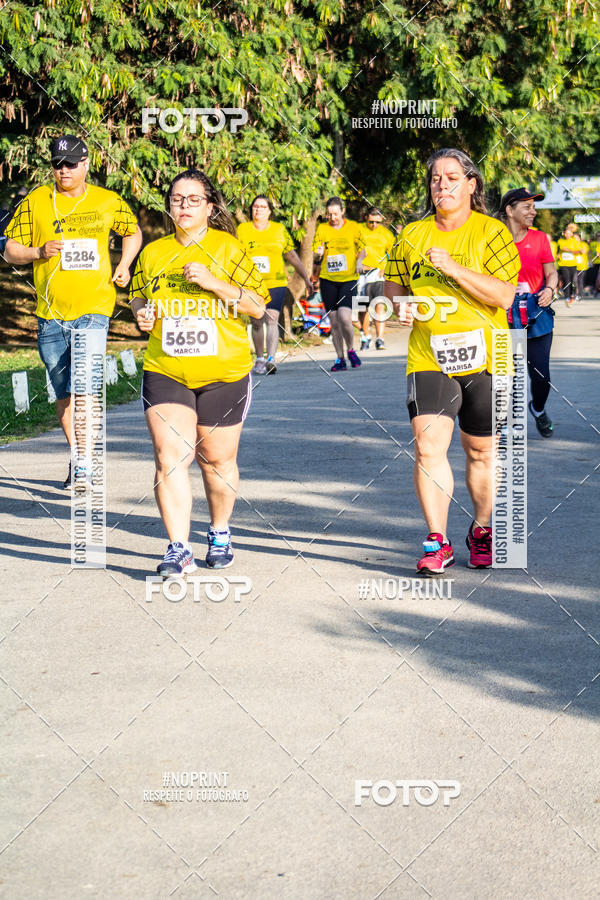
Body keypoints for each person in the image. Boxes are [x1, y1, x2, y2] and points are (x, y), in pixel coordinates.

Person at [384, 148, 520, 575]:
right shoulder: (411, 235)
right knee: (428, 447)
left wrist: (455, 268)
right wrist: (398, 306)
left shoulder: (492, 232)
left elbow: (503, 295)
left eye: (452, 177)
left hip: (490, 357)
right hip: (430, 356)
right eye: (435, 179)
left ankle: (481, 529)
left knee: (480, 451)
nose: (442, 185)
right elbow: (393, 289)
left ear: (471, 184)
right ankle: (436, 539)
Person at [129, 169, 268, 576]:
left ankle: (220, 530)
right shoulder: (154, 253)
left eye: (193, 200)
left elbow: (257, 307)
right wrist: (141, 314)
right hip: (167, 368)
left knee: (217, 460)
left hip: (224, 372)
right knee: (171, 456)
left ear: (210, 206)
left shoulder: (229, 249)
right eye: (176, 199)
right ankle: (177, 547)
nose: (183, 206)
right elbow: (137, 298)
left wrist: (213, 282)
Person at [3, 135, 141, 487]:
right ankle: (78, 455)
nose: (62, 170)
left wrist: (124, 264)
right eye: (57, 164)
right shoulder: (36, 201)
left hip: (94, 308)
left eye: (70, 164)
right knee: (63, 393)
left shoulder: (107, 200)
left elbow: (133, 232)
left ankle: (84, 462)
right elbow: (9, 250)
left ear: (85, 165)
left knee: (86, 386)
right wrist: (38, 252)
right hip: (50, 314)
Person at [500, 188, 559, 438]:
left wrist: (550, 288)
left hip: (536, 313)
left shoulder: (540, 239)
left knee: (541, 376)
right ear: (509, 210)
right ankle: (503, 422)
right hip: (503, 314)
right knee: (506, 376)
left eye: (534, 207)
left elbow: (552, 272)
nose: (533, 212)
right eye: (527, 207)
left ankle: (537, 408)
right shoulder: (493, 240)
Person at [237, 195, 312, 375]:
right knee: (256, 321)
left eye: (263, 207)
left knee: (271, 318)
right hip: (252, 283)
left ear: (270, 211)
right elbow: (234, 255)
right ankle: (260, 358)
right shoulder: (243, 229)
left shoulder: (279, 230)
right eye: (255, 206)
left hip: (276, 282)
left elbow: (292, 256)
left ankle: (271, 359)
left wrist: (307, 279)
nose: (258, 209)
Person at [313, 197, 366, 371]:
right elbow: (316, 255)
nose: (332, 217)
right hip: (328, 279)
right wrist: (319, 254)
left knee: (344, 317)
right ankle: (340, 358)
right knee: (334, 321)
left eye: (335, 213)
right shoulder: (322, 229)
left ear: (342, 211)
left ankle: (351, 349)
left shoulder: (353, 228)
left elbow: (363, 249)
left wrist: (359, 261)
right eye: (329, 214)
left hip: (348, 279)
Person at [357, 207, 395, 350]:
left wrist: (385, 269)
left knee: (379, 305)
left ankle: (380, 339)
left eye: (377, 222)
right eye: (371, 222)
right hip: (360, 274)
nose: (374, 225)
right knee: (363, 308)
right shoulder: (358, 230)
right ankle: (366, 336)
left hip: (377, 274)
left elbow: (393, 254)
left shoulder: (386, 234)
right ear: (366, 217)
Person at [556, 223, 583, 306]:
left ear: (571, 234)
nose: (567, 235)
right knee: (566, 280)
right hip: (563, 264)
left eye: (569, 233)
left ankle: (572, 295)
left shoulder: (575, 241)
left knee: (572, 281)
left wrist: (571, 250)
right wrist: (573, 250)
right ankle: (567, 297)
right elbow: (562, 248)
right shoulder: (560, 241)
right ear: (564, 233)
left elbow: (580, 250)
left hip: (573, 264)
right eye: (566, 233)